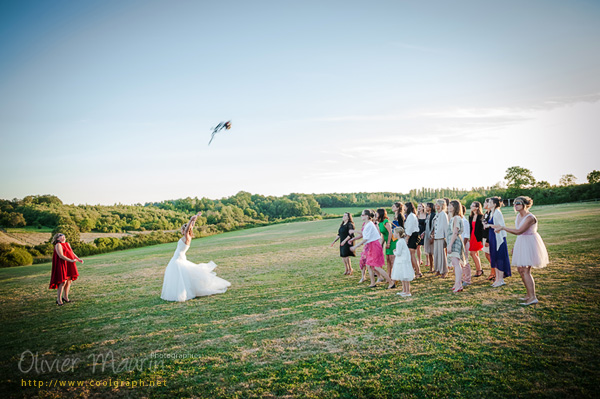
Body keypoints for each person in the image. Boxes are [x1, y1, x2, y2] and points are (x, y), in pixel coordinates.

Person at [161, 212, 231, 301]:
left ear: (185, 230)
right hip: (178, 258)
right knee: (181, 276)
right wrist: (195, 218)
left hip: (178, 259)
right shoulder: (187, 236)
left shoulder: (187, 237)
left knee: (179, 276)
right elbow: (191, 227)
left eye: (183, 229)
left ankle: (182, 293)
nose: (182, 231)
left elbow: (188, 229)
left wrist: (191, 220)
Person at [493, 196, 549, 305]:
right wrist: (516, 247)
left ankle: (533, 297)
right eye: (514, 203)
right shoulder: (518, 216)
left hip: (530, 243)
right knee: (520, 270)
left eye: (518, 203)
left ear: (525, 204)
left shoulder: (530, 217)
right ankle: (528, 295)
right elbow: (520, 235)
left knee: (526, 271)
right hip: (522, 242)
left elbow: (519, 231)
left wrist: (503, 227)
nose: (515, 205)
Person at [350, 210, 395, 289]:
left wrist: (355, 246)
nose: (361, 216)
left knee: (377, 267)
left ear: (367, 216)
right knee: (368, 265)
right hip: (371, 245)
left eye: (362, 215)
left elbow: (365, 239)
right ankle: (372, 283)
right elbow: (364, 235)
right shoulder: (367, 224)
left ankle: (391, 282)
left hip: (374, 246)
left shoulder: (369, 225)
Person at [49, 233, 83, 306]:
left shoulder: (67, 244)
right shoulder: (58, 245)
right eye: (62, 237)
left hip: (69, 264)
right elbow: (61, 256)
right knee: (62, 282)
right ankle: (59, 299)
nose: (64, 238)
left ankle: (65, 297)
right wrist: (70, 260)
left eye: (64, 237)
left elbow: (72, 253)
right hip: (62, 264)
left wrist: (78, 259)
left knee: (69, 280)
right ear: (57, 239)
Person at [484, 197, 511, 287]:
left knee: (499, 258)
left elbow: (500, 226)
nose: (488, 203)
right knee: (494, 257)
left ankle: (501, 279)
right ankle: (497, 279)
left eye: (490, 202)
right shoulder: (492, 212)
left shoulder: (498, 213)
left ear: (495, 204)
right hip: (493, 237)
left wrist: (489, 225)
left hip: (498, 238)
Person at [447, 201, 467, 292]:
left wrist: (450, 245)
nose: (448, 207)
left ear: (455, 207)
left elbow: (455, 232)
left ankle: (459, 285)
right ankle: (456, 284)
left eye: (450, 205)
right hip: (452, 240)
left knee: (456, 264)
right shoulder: (453, 218)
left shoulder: (456, 218)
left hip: (454, 241)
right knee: (455, 264)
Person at [390, 227, 414, 297]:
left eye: (394, 232)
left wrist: (394, 252)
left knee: (405, 277)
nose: (393, 234)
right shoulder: (402, 241)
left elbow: (399, 253)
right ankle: (404, 290)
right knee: (403, 277)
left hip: (402, 261)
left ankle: (407, 291)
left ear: (397, 234)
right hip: (402, 261)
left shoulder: (399, 242)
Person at [404, 202, 422, 277]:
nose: (403, 209)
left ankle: (418, 272)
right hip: (412, 235)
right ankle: (413, 271)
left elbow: (410, 228)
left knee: (412, 255)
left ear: (408, 208)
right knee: (411, 255)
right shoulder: (410, 216)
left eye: (404, 207)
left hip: (412, 236)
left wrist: (407, 238)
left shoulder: (411, 216)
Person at [432, 199, 448, 277]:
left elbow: (446, 227)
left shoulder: (443, 214)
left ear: (441, 205)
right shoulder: (437, 214)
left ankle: (444, 270)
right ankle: (438, 269)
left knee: (442, 254)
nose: (435, 205)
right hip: (436, 236)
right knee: (436, 254)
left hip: (441, 237)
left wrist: (446, 238)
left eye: (437, 204)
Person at [376, 209, 394, 279]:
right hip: (387, 241)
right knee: (388, 260)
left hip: (392, 242)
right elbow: (383, 235)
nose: (376, 214)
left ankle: (394, 277)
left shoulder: (386, 222)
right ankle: (389, 276)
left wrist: (388, 243)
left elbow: (390, 232)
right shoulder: (380, 223)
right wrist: (381, 244)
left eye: (377, 213)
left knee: (392, 260)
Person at [468, 201, 485, 277]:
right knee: (475, 253)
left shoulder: (481, 216)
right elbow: (470, 228)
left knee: (472, 253)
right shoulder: (470, 216)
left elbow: (482, 229)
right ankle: (478, 269)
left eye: (473, 205)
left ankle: (479, 270)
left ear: (477, 207)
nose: (471, 207)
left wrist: (482, 239)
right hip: (472, 237)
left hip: (478, 237)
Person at [482, 198, 495, 281]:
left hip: (489, 237)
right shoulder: (486, 213)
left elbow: (491, 227)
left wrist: (488, 240)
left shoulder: (491, 214)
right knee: (487, 255)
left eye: (485, 202)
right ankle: (493, 271)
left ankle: (494, 272)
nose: (483, 204)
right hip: (484, 236)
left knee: (490, 255)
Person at [461, 204, 472, 285]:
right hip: (459, 243)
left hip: (464, 244)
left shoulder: (465, 221)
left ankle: (467, 279)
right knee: (460, 262)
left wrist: (463, 245)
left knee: (465, 262)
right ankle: (463, 277)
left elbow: (466, 236)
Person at [423, 202, 436, 272]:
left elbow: (434, 227)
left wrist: (432, 237)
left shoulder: (433, 215)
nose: (426, 207)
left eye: (427, 206)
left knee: (433, 252)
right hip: (427, 235)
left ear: (430, 207)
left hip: (431, 236)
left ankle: (435, 267)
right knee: (430, 253)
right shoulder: (428, 215)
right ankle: (431, 268)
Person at [417, 203, 427, 268]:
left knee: (425, 246)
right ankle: (420, 260)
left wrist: (425, 232)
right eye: (418, 206)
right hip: (418, 231)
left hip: (425, 231)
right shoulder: (416, 215)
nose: (419, 207)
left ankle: (427, 260)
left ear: (423, 207)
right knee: (418, 246)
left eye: (420, 206)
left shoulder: (426, 215)